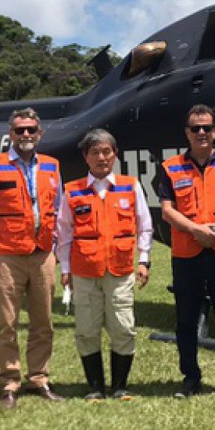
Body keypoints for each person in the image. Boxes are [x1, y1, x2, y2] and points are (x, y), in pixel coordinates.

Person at [0, 108, 65, 410]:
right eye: (19, 130)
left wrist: (55, 248)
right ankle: (10, 383)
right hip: (7, 256)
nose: (25, 135)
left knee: (43, 322)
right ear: (10, 134)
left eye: (31, 130)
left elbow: (59, 211)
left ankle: (39, 378)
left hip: (41, 256)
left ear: (39, 133)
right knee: (6, 323)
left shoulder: (52, 166)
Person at [158, 105, 215, 400]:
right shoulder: (171, 167)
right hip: (187, 254)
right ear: (187, 132)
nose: (201, 133)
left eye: (206, 128)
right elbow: (168, 211)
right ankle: (190, 378)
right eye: (195, 128)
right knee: (185, 320)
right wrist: (196, 231)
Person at [54, 129, 152, 401]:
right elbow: (64, 233)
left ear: (115, 155)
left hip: (120, 271)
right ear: (85, 157)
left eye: (106, 151)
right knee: (86, 330)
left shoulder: (130, 186)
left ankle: (120, 386)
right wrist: (65, 269)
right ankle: (94, 387)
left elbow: (145, 227)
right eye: (95, 152)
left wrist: (143, 260)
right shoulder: (72, 190)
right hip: (84, 272)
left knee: (123, 327)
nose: (101, 157)